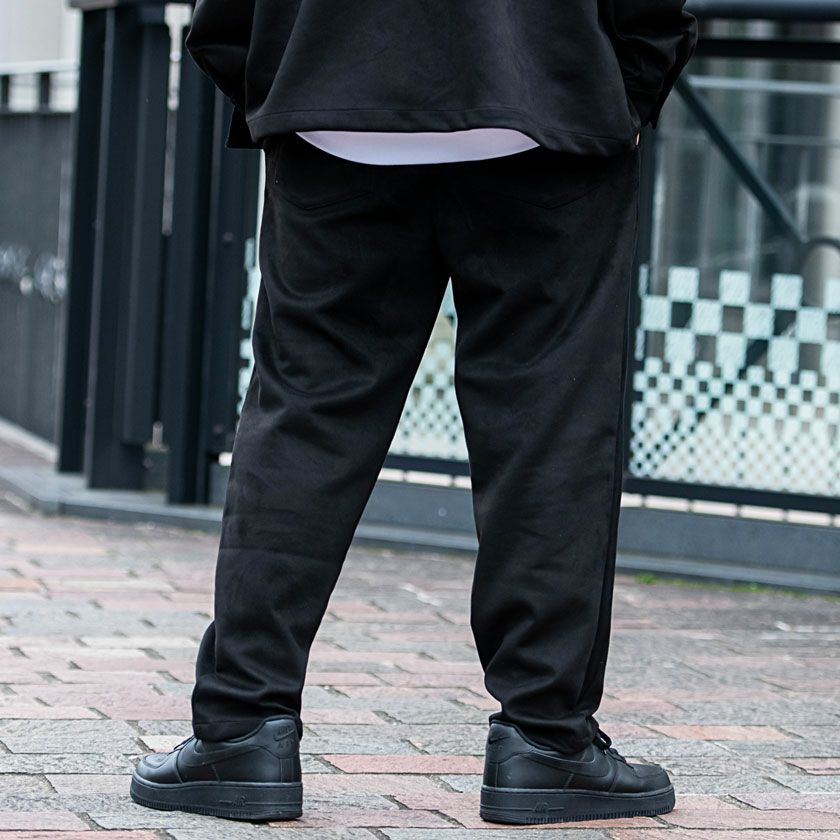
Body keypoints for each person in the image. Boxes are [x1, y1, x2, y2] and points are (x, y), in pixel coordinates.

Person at [130, 0, 698, 825]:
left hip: (336, 100)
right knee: (550, 425)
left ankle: (241, 728)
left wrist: (280, 79)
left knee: (306, 416)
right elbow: (651, 13)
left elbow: (225, 19)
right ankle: (545, 741)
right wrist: (622, 86)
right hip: (547, 95)